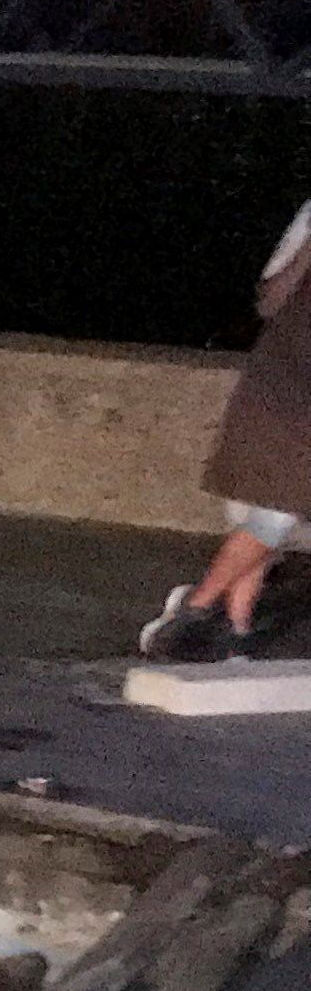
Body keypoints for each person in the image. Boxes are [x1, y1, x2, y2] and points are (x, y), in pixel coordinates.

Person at [141, 197, 311, 665]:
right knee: (272, 514)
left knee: (270, 516)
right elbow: (271, 303)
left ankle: (234, 628)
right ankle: (195, 610)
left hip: (291, 397)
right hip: (286, 392)